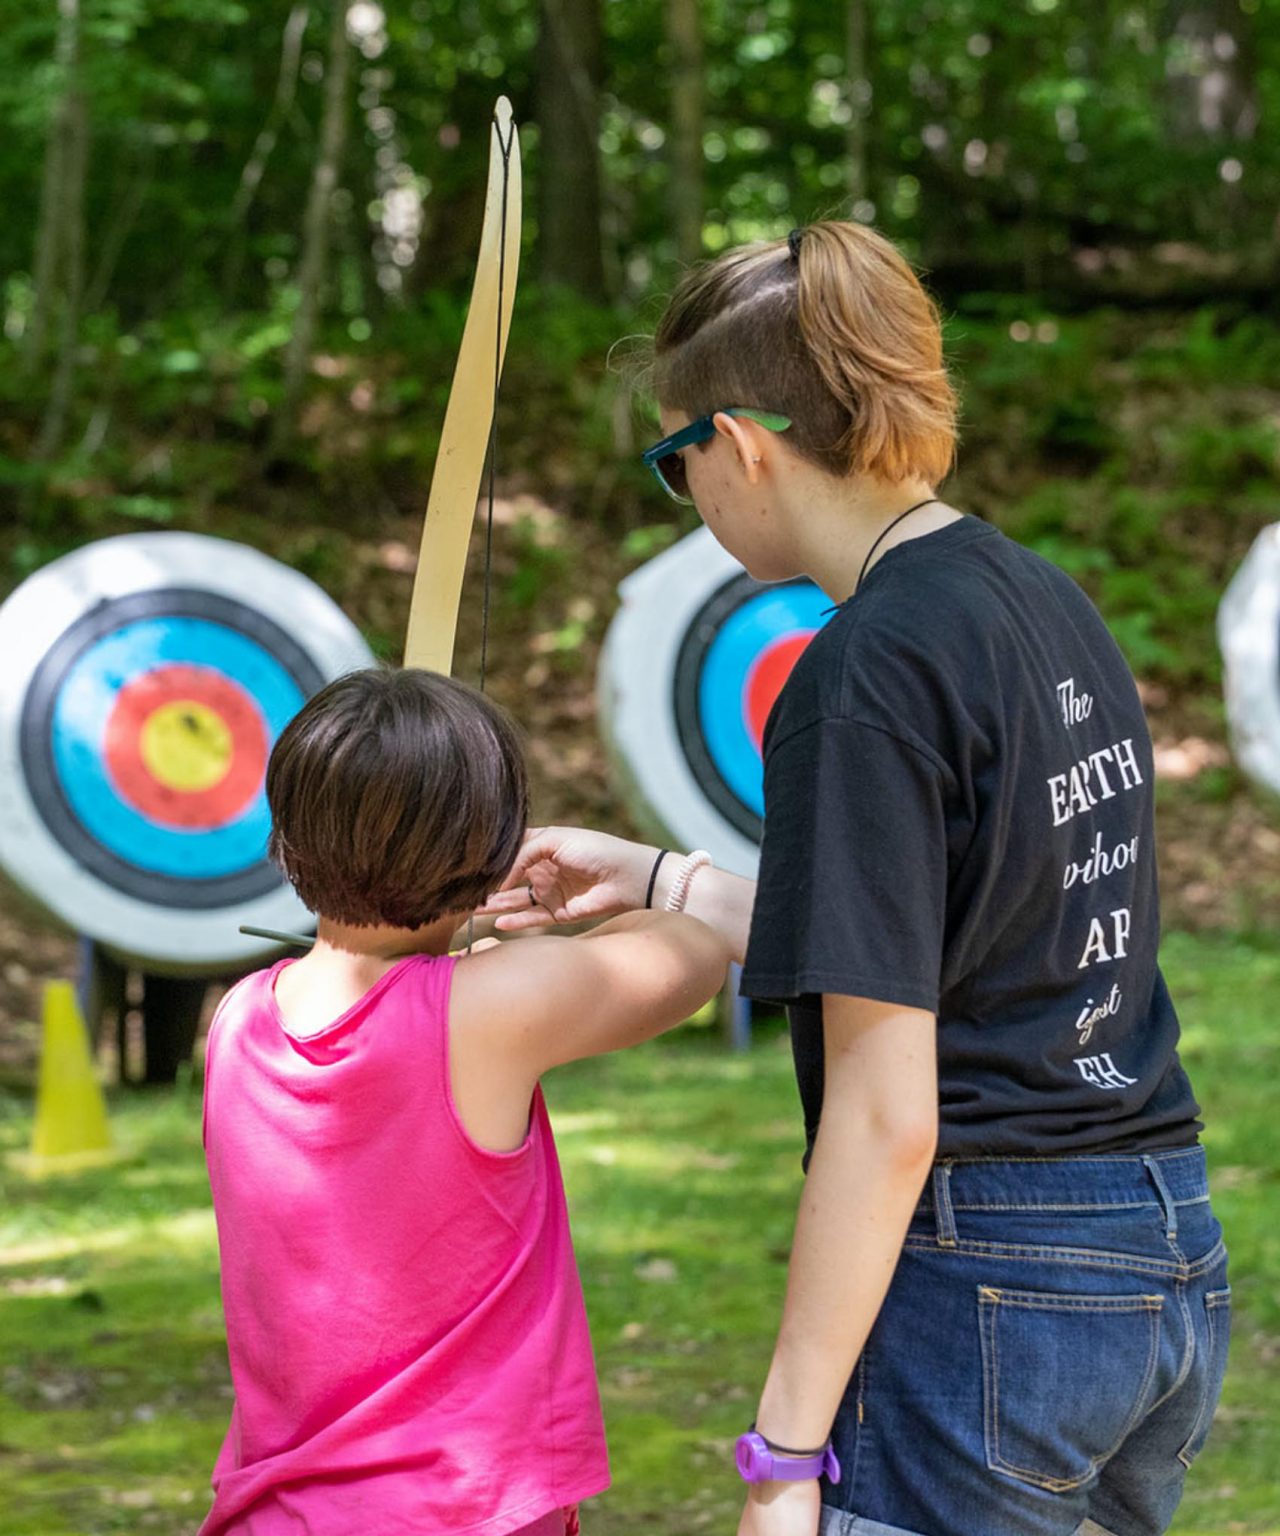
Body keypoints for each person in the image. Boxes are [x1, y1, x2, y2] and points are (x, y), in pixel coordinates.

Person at [480, 221, 1229, 1536]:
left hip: (994, 1280)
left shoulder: (860, 676)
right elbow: (981, 941)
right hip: (1158, 1245)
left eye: (678, 462)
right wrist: (664, 877)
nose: (690, 496)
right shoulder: (1044, 601)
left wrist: (783, 1453)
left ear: (745, 443)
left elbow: (888, 1118)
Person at [197, 667, 733, 1536]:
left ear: (286, 833)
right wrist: (517, 922)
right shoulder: (487, 1009)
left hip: (278, 1513)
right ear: (486, 848)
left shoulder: (237, 1022)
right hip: (463, 1513)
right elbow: (694, 952)